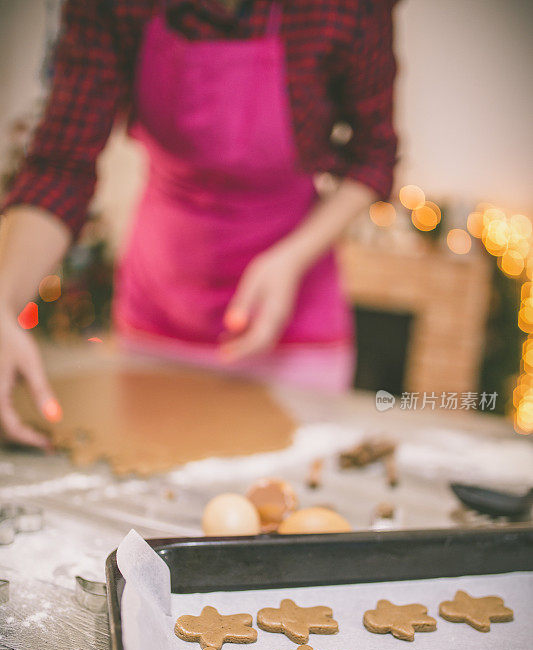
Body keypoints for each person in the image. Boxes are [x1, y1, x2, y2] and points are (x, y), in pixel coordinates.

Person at [0, 0, 397, 448]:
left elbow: (374, 156)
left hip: (293, 325)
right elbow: (59, 165)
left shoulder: (346, 8)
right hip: (158, 312)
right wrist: (2, 304)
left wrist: (291, 258)